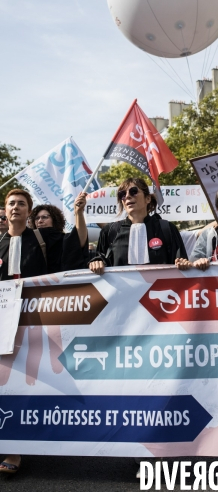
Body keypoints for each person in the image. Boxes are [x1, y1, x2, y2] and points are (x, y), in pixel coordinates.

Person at [0, 189, 88, 475]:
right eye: (11, 203)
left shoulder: (42, 239)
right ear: (5, 209)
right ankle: (10, 447)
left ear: (28, 211)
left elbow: (74, 251)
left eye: (22, 204)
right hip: (2, 322)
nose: (16, 207)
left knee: (29, 380)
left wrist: (78, 214)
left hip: (35, 322)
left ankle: (20, 448)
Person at [88, 177, 187, 274]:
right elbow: (100, 259)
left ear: (147, 198)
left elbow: (182, 264)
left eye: (133, 191)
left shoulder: (167, 228)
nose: (127, 196)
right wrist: (97, 263)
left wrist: (183, 263)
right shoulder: (109, 231)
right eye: (122, 194)